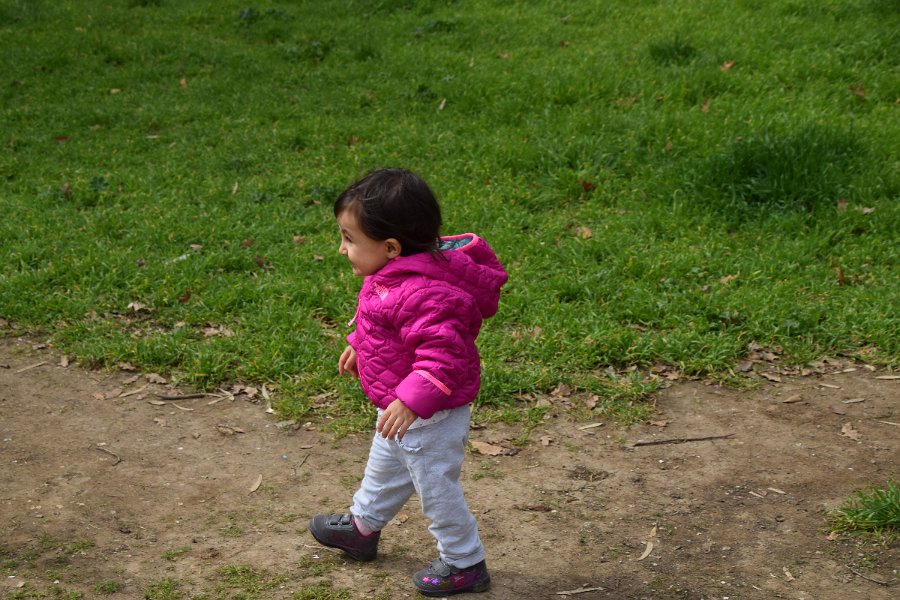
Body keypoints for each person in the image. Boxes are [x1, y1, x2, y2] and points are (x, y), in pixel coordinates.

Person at [308, 167, 508, 596]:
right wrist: (359, 343)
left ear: (391, 247)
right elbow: (383, 322)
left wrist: (413, 400)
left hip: (430, 415)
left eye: (348, 238)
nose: (342, 248)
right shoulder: (394, 275)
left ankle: (465, 561)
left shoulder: (428, 292)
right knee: (384, 468)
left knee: (436, 491)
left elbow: (444, 356)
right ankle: (362, 528)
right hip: (401, 407)